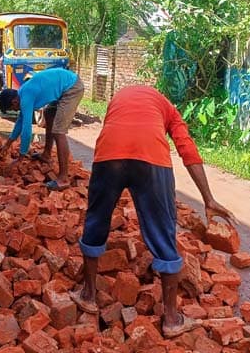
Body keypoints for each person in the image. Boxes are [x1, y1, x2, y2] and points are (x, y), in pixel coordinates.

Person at [70, 85, 236, 338]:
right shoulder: (168, 108)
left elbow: (113, 128)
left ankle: (88, 295)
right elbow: (187, 149)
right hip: (151, 159)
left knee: (96, 220)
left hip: (109, 156)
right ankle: (171, 319)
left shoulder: (118, 99)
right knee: (162, 233)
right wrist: (208, 198)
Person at [0, 68, 84, 190]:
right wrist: (8, 144)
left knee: (59, 132)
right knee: (48, 113)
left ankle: (63, 178)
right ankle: (46, 155)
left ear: (14, 101)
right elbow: (20, 122)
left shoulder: (26, 96)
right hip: (63, 86)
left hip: (72, 87)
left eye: (13, 108)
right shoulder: (22, 93)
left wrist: (21, 156)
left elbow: (27, 130)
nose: (15, 111)